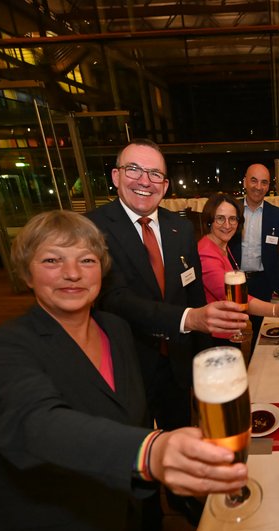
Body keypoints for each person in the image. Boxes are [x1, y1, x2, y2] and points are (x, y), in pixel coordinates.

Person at [0, 211, 247, 531]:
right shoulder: (3, 349)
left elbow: (134, 415)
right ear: (25, 272)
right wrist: (151, 451)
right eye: (52, 260)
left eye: (87, 260)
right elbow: (35, 426)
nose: (73, 273)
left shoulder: (114, 330)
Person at [87, 139, 247, 431]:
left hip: (177, 361)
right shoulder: (93, 228)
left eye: (155, 174)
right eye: (134, 170)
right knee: (138, 451)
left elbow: (193, 291)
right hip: (129, 363)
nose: (145, 182)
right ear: (115, 176)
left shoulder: (181, 227)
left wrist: (205, 359)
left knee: (180, 437)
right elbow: (114, 298)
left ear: (165, 184)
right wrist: (189, 318)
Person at [197, 192, 279, 344]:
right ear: (209, 220)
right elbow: (234, 298)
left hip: (228, 330)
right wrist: (276, 310)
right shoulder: (206, 253)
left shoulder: (221, 247)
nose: (227, 225)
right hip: (214, 336)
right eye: (220, 218)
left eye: (232, 219)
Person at [228, 163, 279, 341]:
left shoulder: (276, 214)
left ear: (269, 186)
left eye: (264, 182)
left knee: (265, 334)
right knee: (231, 330)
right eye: (254, 181)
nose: (258, 187)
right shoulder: (231, 210)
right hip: (234, 281)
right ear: (245, 181)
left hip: (265, 282)